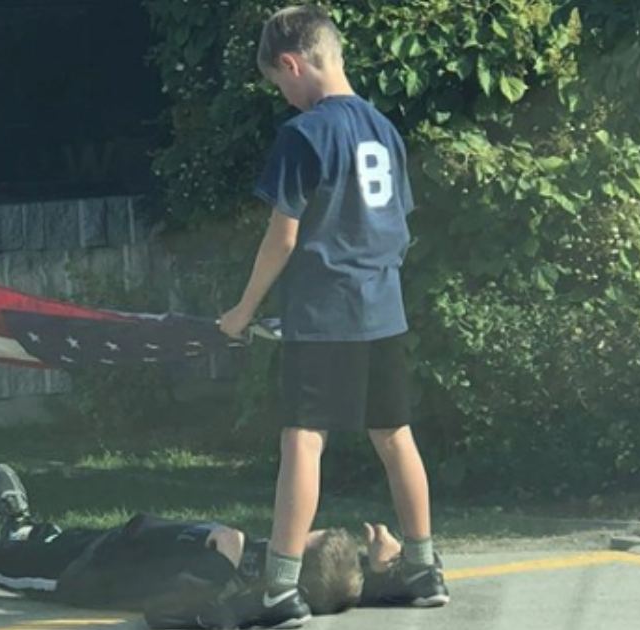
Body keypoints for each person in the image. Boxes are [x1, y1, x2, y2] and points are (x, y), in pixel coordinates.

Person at [217, 5, 449, 625]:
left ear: (292, 64)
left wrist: (242, 312)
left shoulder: (304, 134)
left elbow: (282, 238)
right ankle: (425, 567)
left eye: (279, 83)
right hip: (383, 310)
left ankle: (280, 589)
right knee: (395, 434)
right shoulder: (384, 129)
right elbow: (398, 227)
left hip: (325, 315)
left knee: (303, 440)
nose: (284, 96)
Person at [0, 464, 368, 629]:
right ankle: (22, 528)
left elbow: (167, 613)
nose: (293, 533)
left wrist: (214, 560)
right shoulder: (256, 558)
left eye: (304, 540)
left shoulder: (229, 585)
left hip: (81, 574)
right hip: (106, 544)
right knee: (41, 539)